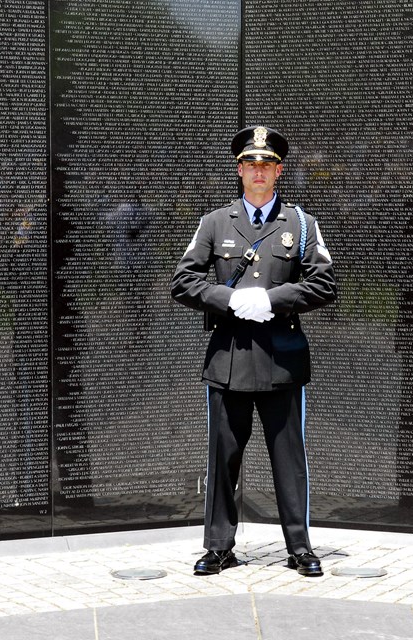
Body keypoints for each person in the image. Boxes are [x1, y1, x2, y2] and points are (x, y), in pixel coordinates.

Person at [171, 126, 336, 577]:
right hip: (229, 359)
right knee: (223, 458)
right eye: (250, 164)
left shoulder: (301, 225)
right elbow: (183, 281)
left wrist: (273, 299)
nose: (258, 172)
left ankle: (299, 547)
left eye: (267, 165)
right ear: (240, 170)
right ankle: (219, 546)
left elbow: (325, 283)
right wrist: (228, 300)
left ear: (279, 171)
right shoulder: (214, 222)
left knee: (290, 460)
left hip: (282, 359)